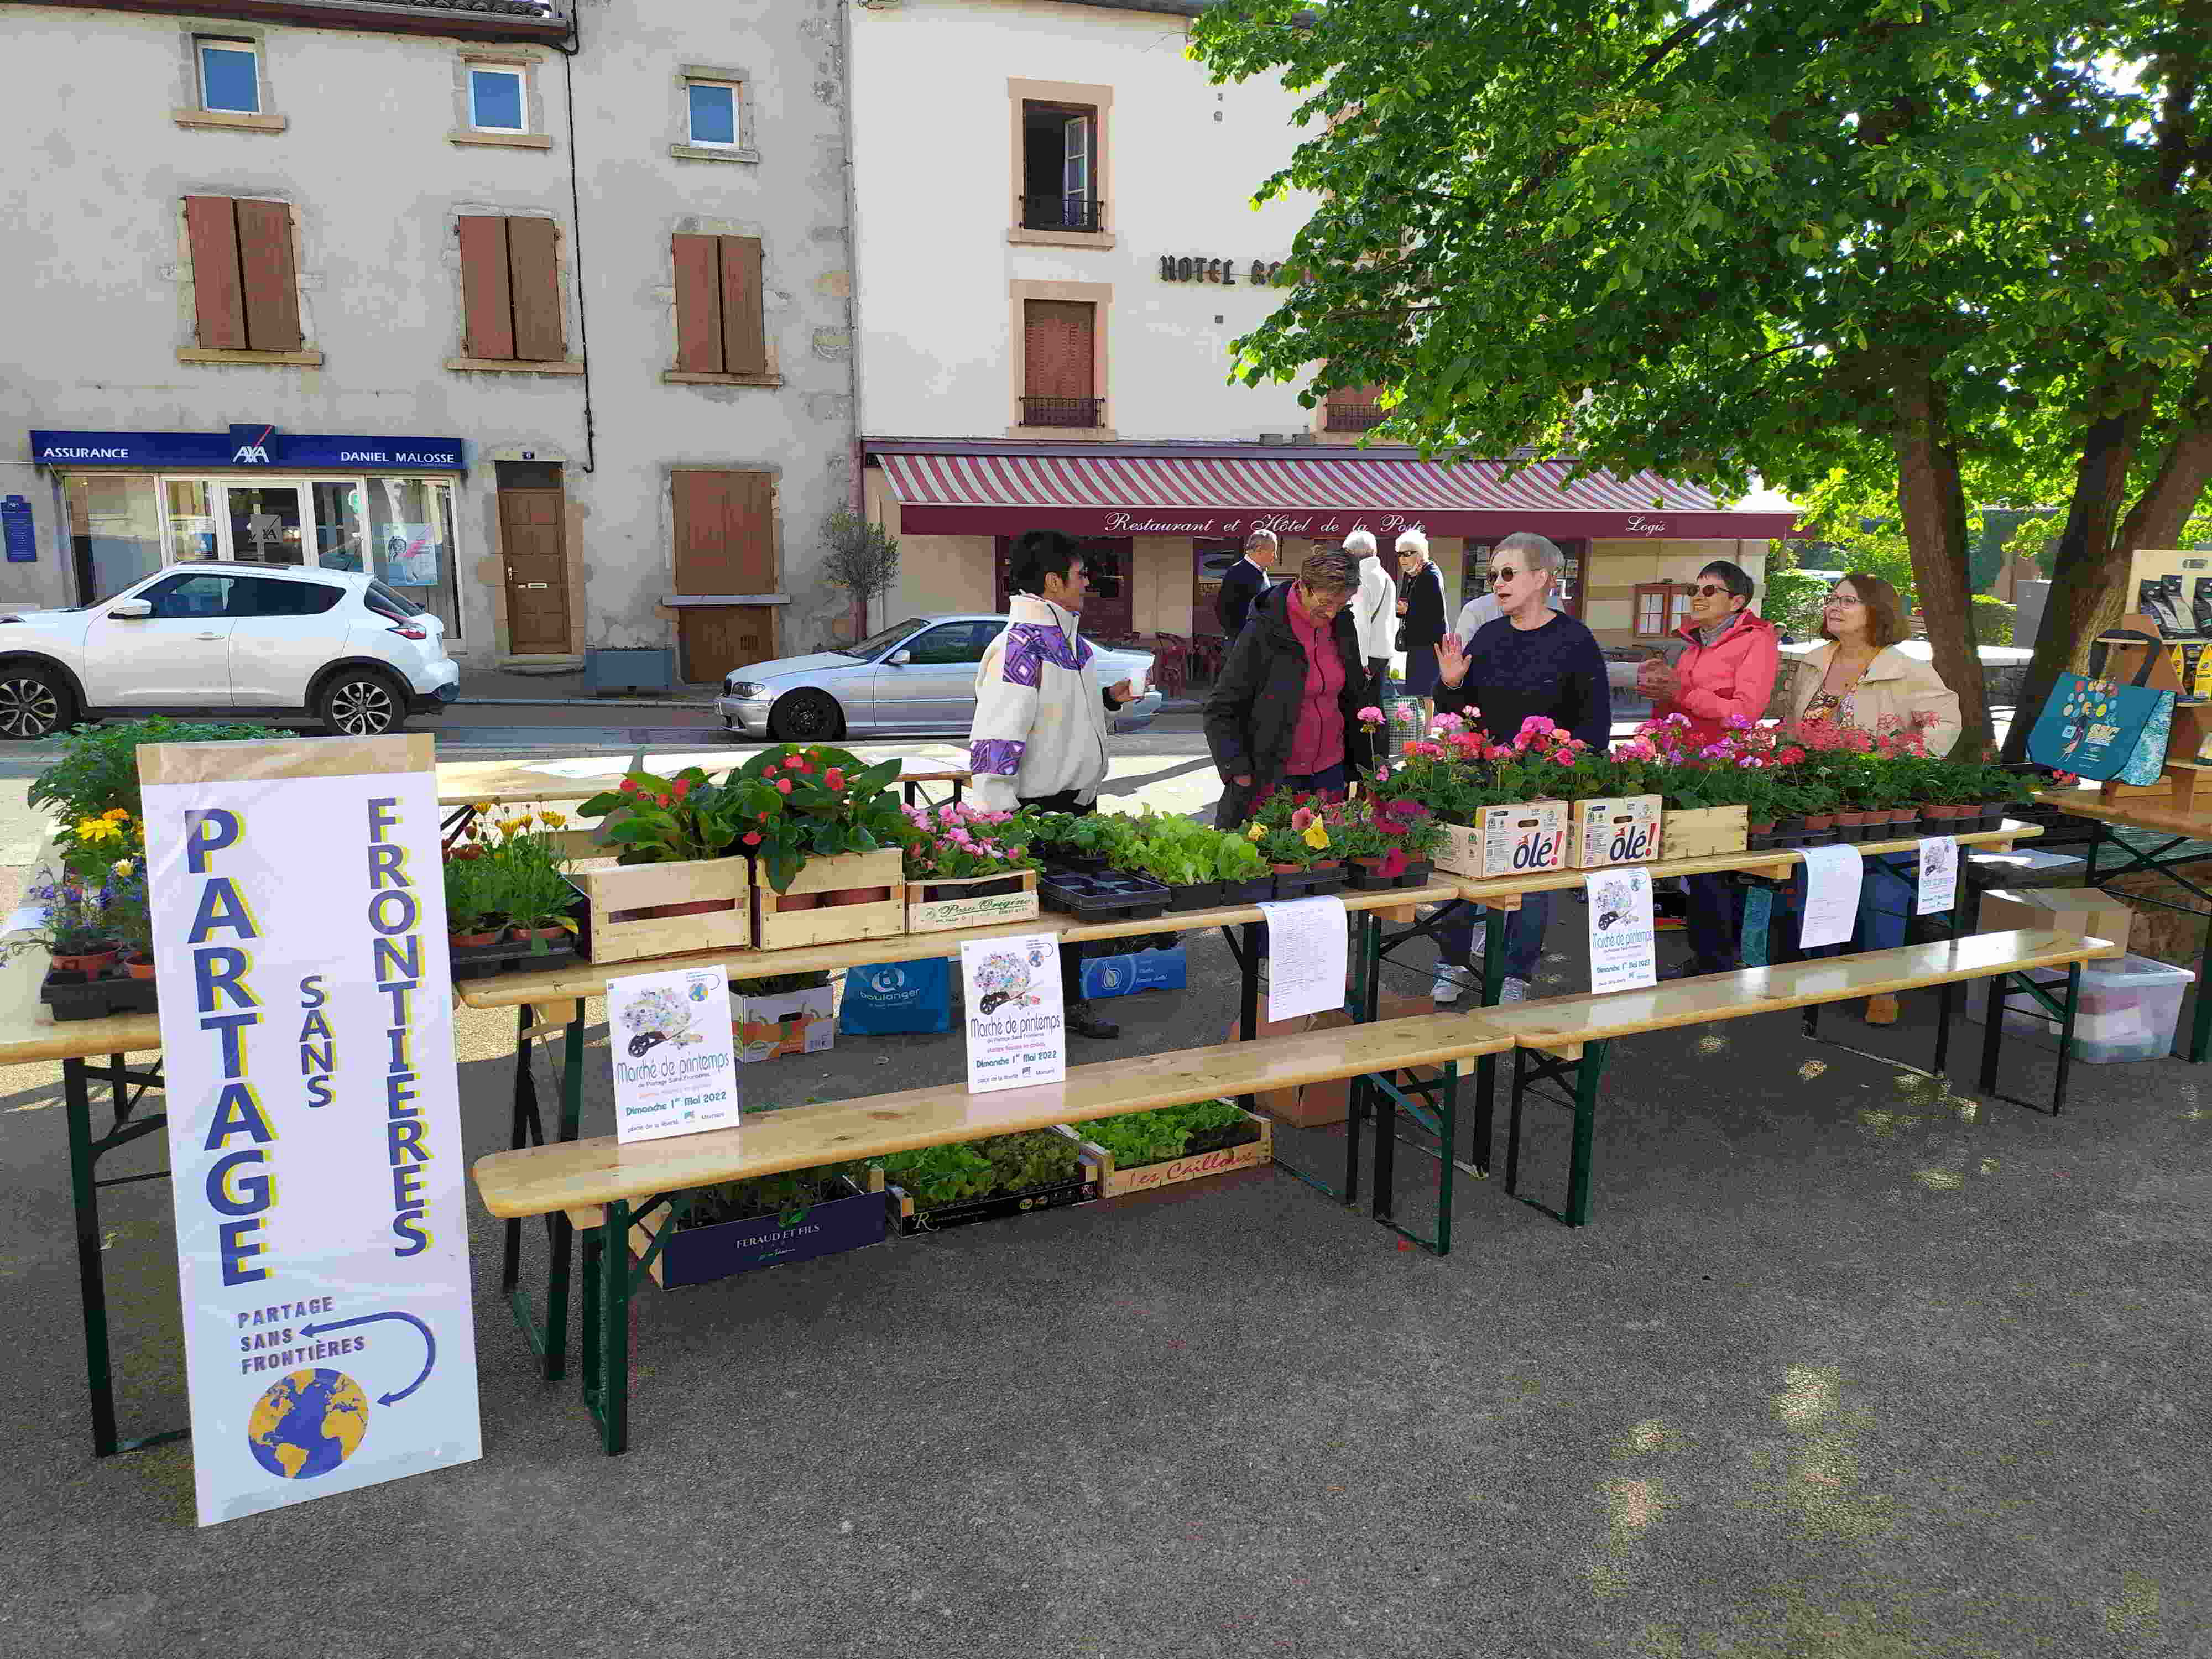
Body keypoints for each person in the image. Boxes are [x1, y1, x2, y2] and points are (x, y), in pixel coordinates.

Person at [968, 529, 1144, 1041]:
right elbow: (997, 739)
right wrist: (1002, 822)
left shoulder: (1072, 643)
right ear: (1052, 581)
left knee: (1067, 921)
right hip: (1032, 810)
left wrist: (1109, 701)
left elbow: (1062, 716)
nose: (1088, 583)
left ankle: (1065, 1007)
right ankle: (1018, 1022)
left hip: (1075, 807)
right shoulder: (1018, 646)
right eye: (1081, 574)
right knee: (1034, 922)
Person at [1427, 532, 1611, 1005]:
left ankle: (1517, 973)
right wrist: (1449, 684)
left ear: (1544, 578)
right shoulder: (1488, 635)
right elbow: (1459, 709)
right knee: (1464, 872)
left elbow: (1595, 723)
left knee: (1532, 886)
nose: (1497, 584)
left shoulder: (1575, 640)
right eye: (1492, 575)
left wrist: (1564, 782)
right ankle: (1452, 962)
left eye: (1508, 574)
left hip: (1541, 785)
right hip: (1481, 778)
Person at [1787, 572, 1963, 1025]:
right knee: (1818, 884)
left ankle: (1882, 988)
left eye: (1848, 600)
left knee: (1883, 887)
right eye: (1832, 599)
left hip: (1884, 799)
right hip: (1818, 795)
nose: (1834, 606)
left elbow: (1945, 722)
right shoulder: (1812, 661)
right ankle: (1818, 976)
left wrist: (1902, 760)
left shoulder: (1906, 668)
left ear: (1877, 613)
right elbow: (1794, 721)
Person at [1635, 561, 1782, 979]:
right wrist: (1658, 700)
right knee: (1700, 869)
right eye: (1694, 590)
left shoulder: (1757, 641)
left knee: (1712, 869)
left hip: (1724, 769)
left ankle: (1716, 963)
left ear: (1737, 602)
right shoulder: (1694, 642)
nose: (1697, 598)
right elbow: (1680, 703)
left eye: (1710, 591)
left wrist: (1681, 691)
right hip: (1688, 767)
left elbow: (1745, 713)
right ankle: (1711, 959)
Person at [1203, 549, 1375, 828]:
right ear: (1303, 586)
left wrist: (1367, 766)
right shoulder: (1265, 629)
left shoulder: (1342, 624)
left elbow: (1354, 696)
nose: (1332, 612)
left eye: (1341, 604)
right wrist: (1238, 770)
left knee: (1327, 862)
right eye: (1326, 602)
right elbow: (1221, 708)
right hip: (1275, 775)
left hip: (1331, 772)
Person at [1394, 526, 1448, 708]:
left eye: (1406, 554)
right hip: (1416, 641)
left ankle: (1427, 731)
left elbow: (1435, 613)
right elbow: (1404, 603)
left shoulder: (1430, 575)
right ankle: (1417, 728)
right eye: (1399, 554)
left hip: (1429, 641)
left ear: (1420, 554)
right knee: (1414, 689)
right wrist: (1401, 609)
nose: (1402, 559)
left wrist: (1408, 611)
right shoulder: (1410, 575)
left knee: (1426, 690)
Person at [1345, 530, 1397, 684]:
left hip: (1367, 654)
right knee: (1376, 703)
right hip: (1384, 651)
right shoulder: (1386, 577)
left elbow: (1361, 624)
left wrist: (1361, 662)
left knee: (1360, 704)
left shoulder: (1361, 580)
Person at [1215, 528, 1278, 639]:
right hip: (1243, 645)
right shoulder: (1237, 572)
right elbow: (1223, 612)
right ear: (1259, 550)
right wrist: (1245, 638)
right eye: (1273, 552)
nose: (1275, 557)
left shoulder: (1261, 573)